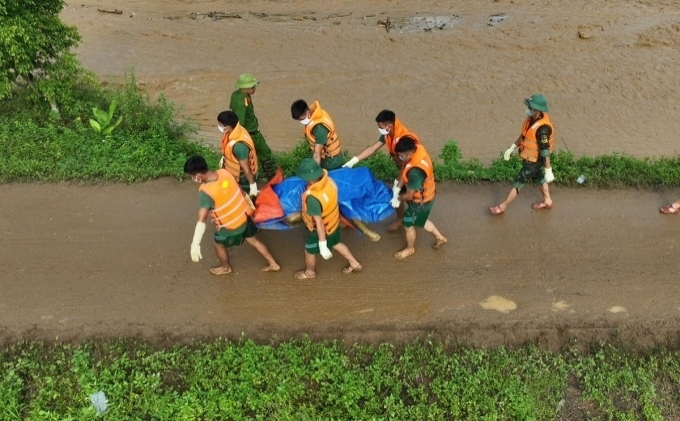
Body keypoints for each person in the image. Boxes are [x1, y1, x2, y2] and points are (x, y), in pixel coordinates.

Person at [184, 155, 280, 275]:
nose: (193, 179)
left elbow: (202, 218)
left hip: (232, 226)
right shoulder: (224, 173)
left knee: (218, 244)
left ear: (198, 176)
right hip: (245, 218)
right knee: (254, 241)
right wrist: (252, 208)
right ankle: (273, 263)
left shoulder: (206, 191)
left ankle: (225, 268)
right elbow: (242, 192)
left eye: (192, 176)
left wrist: (195, 243)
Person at [342, 110, 421, 231]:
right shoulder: (388, 134)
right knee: (398, 193)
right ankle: (401, 219)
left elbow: (407, 165)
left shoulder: (404, 140)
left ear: (389, 126)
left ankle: (414, 221)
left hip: (411, 170)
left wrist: (398, 184)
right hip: (402, 169)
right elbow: (372, 149)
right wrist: (353, 161)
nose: (379, 129)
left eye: (380, 127)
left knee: (408, 196)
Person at [293, 158, 363, 279]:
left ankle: (309, 273)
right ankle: (355, 264)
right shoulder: (329, 181)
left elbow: (319, 223)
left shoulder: (312, 198)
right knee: (336, 243)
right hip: (333, 223)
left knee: (309, 250)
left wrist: (322, 244)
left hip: (321, 230)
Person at [489, 94, 556, 215]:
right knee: (539, 179)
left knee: (518, 183)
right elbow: (524, 136)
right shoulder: (531, 120)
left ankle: (502, 206)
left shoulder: (543, 129)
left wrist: (548, 169)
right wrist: (512, 147)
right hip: (530, 158)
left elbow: (545, 151)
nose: (528, 109)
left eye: (530, 107)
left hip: (534, 161)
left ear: (537, 109)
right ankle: (547, 200)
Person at [391, 137, 447, 260]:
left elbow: (409, 195)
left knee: (408, 224)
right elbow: (404, 170)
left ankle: (410, 248)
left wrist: (396, 199)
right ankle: (440, 237)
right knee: (421, 221)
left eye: (401, 156)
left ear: (409, 154)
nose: (399, 158)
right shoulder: (417, 151)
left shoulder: (415, 172)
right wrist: (397, 188)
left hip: (419, 203)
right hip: (427, 198)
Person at [230, 73, 277, 180]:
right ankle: (272, 177)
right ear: (245, 88)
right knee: (264, 152)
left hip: (250, 132)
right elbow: (239, 121)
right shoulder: (243, 102)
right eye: (252, 86)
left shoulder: (237, 95)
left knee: (258, 154)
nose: (255, 88)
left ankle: (267, 176)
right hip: (251, 133)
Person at [290, 99, 345, 171]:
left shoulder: (319, 128)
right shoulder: (314, 116)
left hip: (331, 162)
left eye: (302, 119)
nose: (301, 122)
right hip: (325, 158)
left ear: (308, 112)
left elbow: (317, 154)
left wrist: (314, 174)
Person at [217, 110, 259, 197]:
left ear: (228, 127)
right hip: (230, 174)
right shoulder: (236, 130)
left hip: (242, 179)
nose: (219, 126)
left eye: (220, 124)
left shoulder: (239, 148)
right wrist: (223, 157)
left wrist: (252, 186)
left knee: (243, 198)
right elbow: (227, 146)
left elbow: (246, 170)